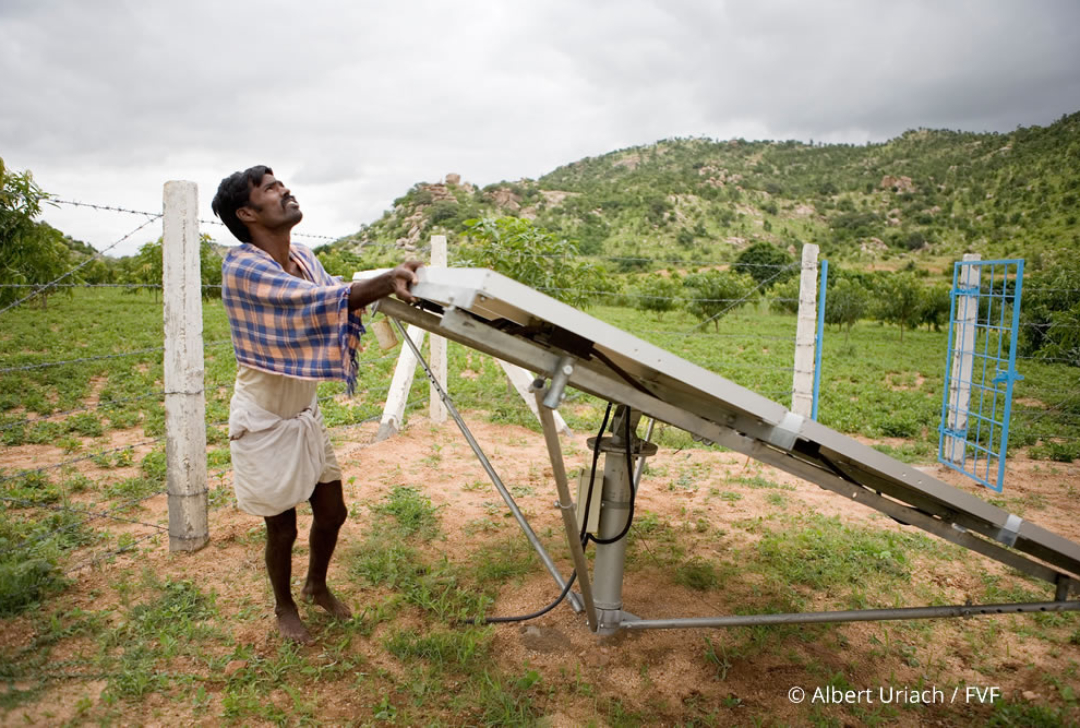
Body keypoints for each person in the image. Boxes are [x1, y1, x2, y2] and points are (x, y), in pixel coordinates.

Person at [212, 165, 421, 644]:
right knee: (281, 528)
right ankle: (284, 606)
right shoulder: (242, 266)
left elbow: (336, 296)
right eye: (270, 189)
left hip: (303, 412)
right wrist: (384, 282)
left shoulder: (303, 256)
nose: (284, 190)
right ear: (246, 213)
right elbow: (311, 304)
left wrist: (399, 290)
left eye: (280, 183)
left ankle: (316, 585)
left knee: (332, 512)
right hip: (263, 416)